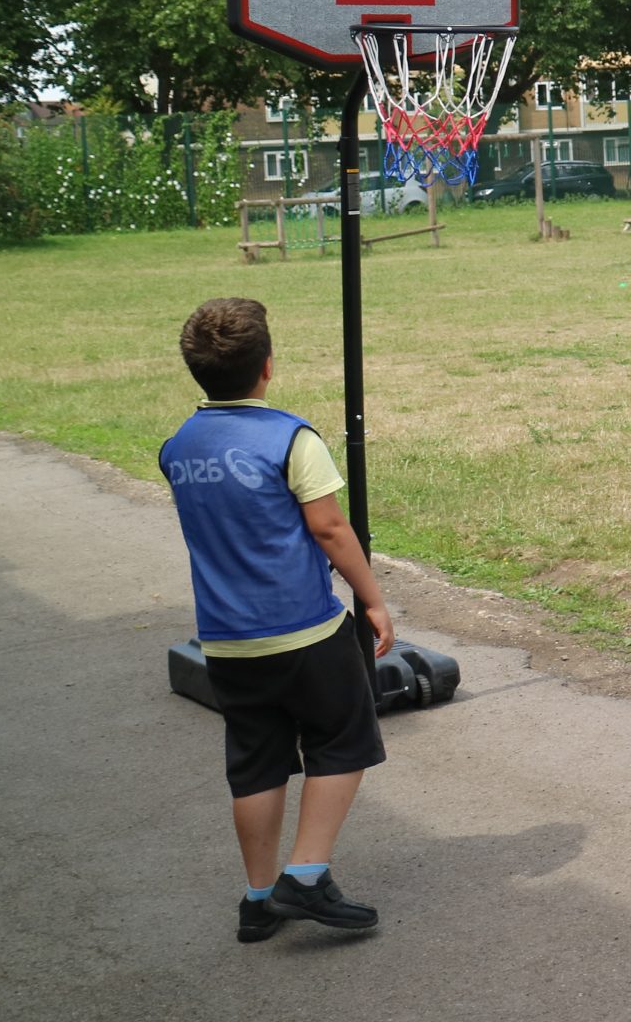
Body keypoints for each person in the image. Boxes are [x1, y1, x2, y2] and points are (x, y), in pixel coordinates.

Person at [160, 297, 393, 942]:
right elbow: (329, 527)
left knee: (256, 763)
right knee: (342, 740)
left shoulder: (177, 447)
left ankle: (258, 899)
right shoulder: (291, 438)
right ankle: (306, 876)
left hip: (226, 642)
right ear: (267, 365)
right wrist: (372, 599)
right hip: (304, 630)